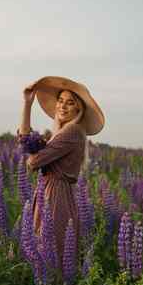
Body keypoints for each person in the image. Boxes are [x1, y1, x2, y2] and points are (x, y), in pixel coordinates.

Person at [17, 76, 105, 273]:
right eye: (60, 101)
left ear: (78, 109)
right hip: (48, 193)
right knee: (44, 256)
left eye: (70, 103)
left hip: (55, 198)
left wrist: (33, 154)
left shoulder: (72, 131)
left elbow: (33, 161)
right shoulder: (60, 132)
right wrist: (27, 104)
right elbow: (27, 144)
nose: (63, 106)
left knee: (51, 256)